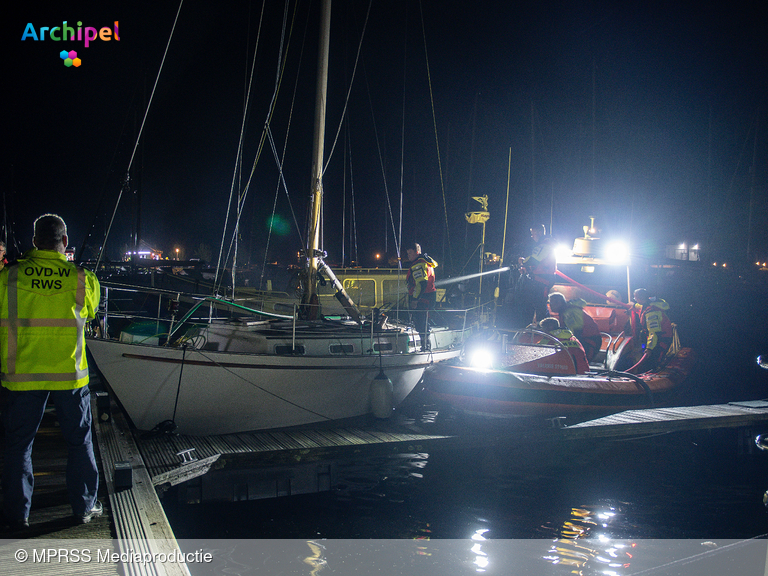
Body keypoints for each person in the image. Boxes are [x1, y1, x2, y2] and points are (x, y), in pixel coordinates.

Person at [1, 214, 102, 530]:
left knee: (19, 445)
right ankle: (84, 507)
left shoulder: (8, 277)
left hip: (22, 374)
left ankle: (18, 515)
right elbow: (92, 310)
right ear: (65, 242)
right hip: (68, 374)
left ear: (34, 241)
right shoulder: (83, 279)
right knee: (79, 440)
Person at [516, 224, 556, 325]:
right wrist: (527, 269)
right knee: (535, 304)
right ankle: (537, 325)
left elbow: (534, 259)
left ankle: (543, 327)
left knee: (540, 305)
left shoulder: (545, 245)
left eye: (533, 234)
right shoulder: (542, 245)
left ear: (539, 233)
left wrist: (523, 262)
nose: (532, 236)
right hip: (538, 280)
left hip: (543, 281)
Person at [626, 288, 673, 373]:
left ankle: (655, 372)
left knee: (655, 360)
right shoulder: (648, 304)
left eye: (635, 297)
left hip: (661, 339)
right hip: (655, 337)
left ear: (639, 298)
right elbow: (639, 305)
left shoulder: (651, 312)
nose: (635, 299)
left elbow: (653, 332)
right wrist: (633, 306)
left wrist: (649, 348)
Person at [547, 292, 602, 362]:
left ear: (559, 302)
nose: (550, 306)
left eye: (551, 303)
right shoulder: (566, 311)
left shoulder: (569, 313)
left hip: (589, 342)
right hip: (587, 340)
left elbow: (575, 333)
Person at [406, 242, 438, 351]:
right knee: (423, 321)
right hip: (428, 296)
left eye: (410, 253)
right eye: (407, 253)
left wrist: (415, 300)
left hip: (423, 298)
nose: (408, 255)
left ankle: (426, 347)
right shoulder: (425, 262)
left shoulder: (418, 265)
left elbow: (421, 283)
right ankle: (426, 346)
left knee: (421, 321)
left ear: (417, 252)